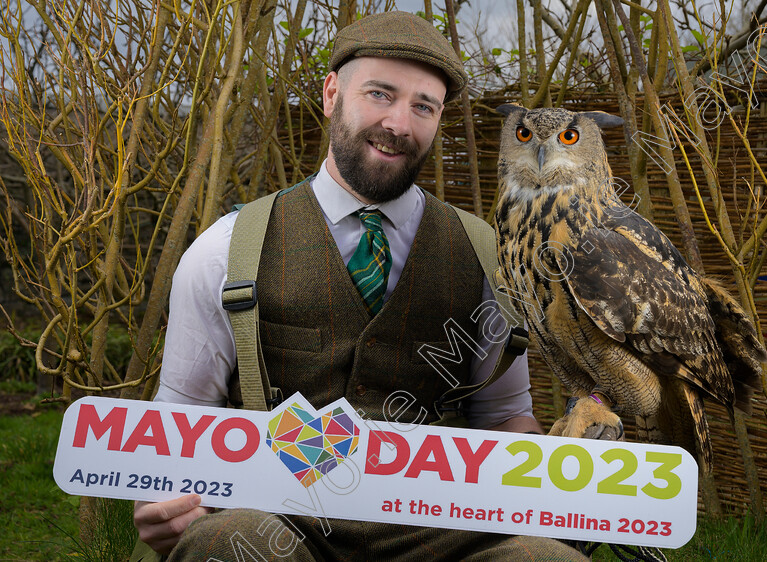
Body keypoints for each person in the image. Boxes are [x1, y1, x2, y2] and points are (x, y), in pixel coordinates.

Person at [132, 11, 588, 561]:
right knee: (225, 545)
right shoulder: (225, 251)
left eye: (424, 106)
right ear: (331, 95)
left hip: (439, 531)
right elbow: (181, 420)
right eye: (380, 94)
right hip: (277, 523)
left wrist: (562, 488)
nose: (400, 123)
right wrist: (165, 500)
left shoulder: (487, 257)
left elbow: (501, 416)